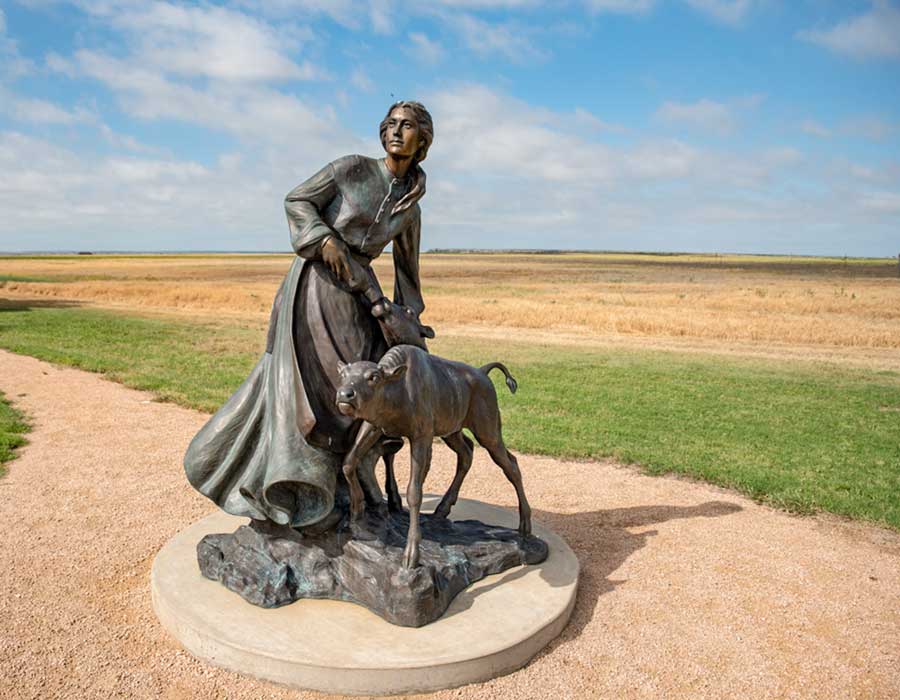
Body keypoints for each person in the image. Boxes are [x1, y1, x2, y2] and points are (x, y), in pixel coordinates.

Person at [184, 101, 434, 528]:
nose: (396, 132)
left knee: (371, 381)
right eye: (390, 124)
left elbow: (407, 275)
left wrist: (404, 320)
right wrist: (323, 239)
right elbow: (297, 200)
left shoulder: (409, 207)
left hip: (360, 297)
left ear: (422, 140)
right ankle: (304, 493)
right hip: (316, 284)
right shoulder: (351, 168)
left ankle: (352, 486)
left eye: (407, 126)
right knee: (318, 387)